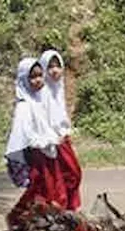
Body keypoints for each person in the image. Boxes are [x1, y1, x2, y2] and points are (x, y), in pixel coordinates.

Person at [4, 56, 64, 226]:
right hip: (38, 155)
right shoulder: (24, 105)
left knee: (50, 189)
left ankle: (37, 219)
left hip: (49, 152)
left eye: (40, 75)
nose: (38, 80)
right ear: (24, 79)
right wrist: (44, 142)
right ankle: (25, 219)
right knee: (44, 189)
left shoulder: (40, 99)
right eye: (33, 77)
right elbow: (25, 134)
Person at [38, 48, 83, 211]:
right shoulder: (41, 93)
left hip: (62, 139)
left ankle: (70, 208)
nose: (55, 70)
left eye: (57, 66)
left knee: (73, 173)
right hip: (49, 143)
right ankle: (61, 211)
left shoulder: (58, 88)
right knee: (55, 182)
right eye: (50, 67)